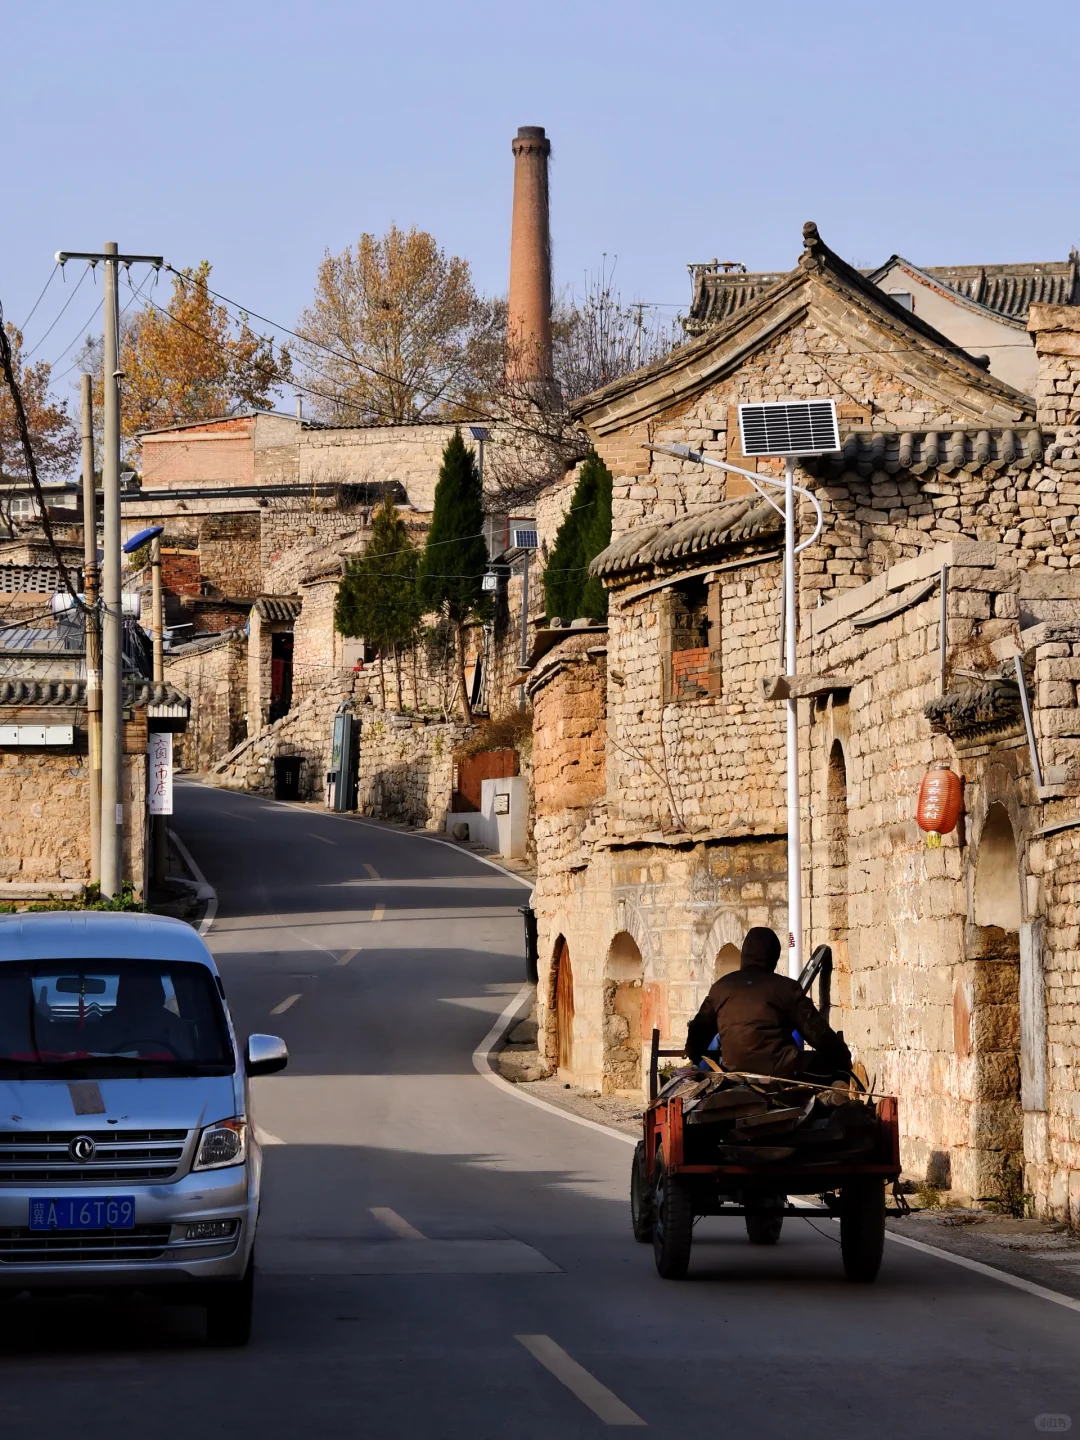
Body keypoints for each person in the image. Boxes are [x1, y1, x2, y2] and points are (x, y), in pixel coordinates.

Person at [686, 927, 851, 1080]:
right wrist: (844, 1058)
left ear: (744, 955)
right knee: (833, 1068)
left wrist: (693, 1054)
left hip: (733, 1070)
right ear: (773, 957)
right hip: (782, 1071)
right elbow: (818, 1032)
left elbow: (699, 1031)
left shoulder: (721, 988)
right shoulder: (786, 988)